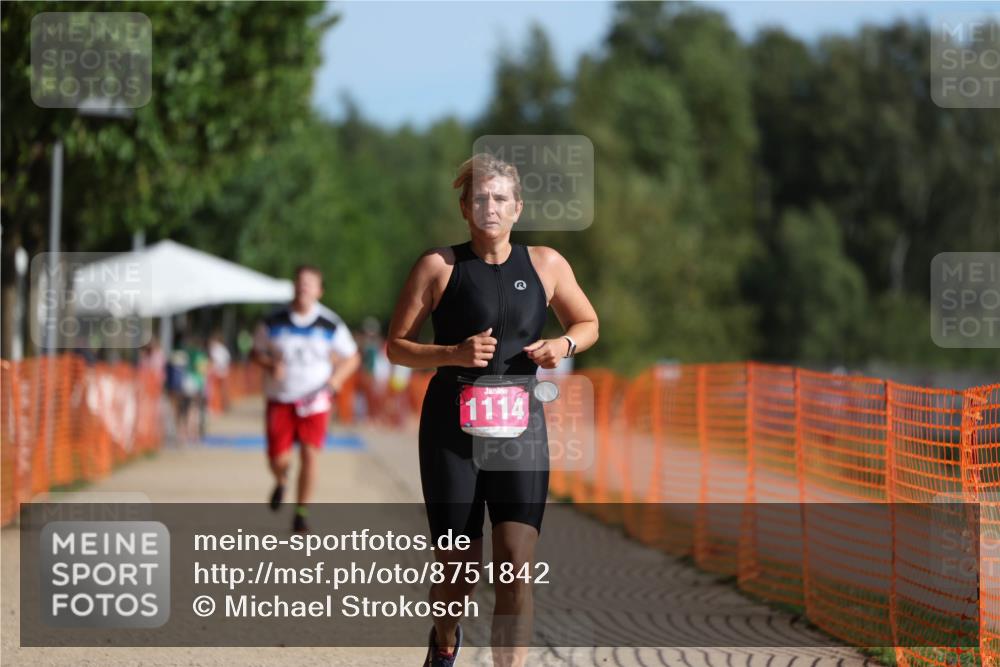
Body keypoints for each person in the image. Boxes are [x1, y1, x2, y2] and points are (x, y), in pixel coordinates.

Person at [386, 153, 599, 667]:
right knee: (457, 571)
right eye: (480, 198)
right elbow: (396, 346)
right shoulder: (438, 266)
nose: (490, 207)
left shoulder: (546, 264)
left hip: (520, 429)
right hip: (452, 431)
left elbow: (588, 323)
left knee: (515, 566)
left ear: (517, 207)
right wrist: (452, 354)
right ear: (464, 207)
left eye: (501, 198)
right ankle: (444, 637)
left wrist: (563, 345)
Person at [251, 265, 361, 533]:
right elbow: (255, 352)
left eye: (309, 283)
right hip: (281, 398)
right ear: (294, 287)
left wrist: (335, 381)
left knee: (310, 455)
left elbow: (352, 357)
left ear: (319, 291)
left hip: (316, 400)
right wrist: (269, 365)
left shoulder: (330, 323)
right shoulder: (273, 321)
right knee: (279, 460)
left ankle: (301, 512)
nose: (304, 287)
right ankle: (281, 480)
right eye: (300, 282)